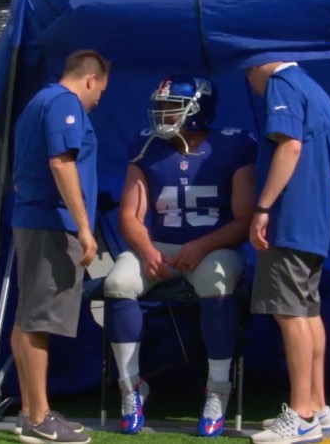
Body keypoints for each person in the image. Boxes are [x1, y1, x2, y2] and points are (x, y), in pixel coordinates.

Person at [102, 76, 257, 437]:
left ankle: (217, 388)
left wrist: (203, 246)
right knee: (117, 282)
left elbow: (244, 218)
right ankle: (131, 387)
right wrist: (147, 250)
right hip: (159, 246)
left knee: (215, 281)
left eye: (172, 105)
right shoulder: (145, 146)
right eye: (160, 105)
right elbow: (129, 215)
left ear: (197, 109)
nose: (162, 113)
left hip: (214, 246)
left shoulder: (232, 146)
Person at [10, 49, 109, 444]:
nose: (99, 100)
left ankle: (31, 409)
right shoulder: (64, 103)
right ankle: (38, 417)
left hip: (34, 221)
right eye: (100, 90)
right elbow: (61, 163)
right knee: (40, 321)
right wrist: (84, 227)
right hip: (52, 225)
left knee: (27, 318)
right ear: (90, 80)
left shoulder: (38, 101)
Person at [245, 61, 330, 444]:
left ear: (257, 66)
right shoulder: (319, 92)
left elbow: (290, 145)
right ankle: (318, 406)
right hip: (316, 222)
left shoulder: (281, 86)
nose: (250, 86)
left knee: (289, 315)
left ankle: (301, 415)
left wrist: (264, 206)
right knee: (308, 312)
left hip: (290, 223)